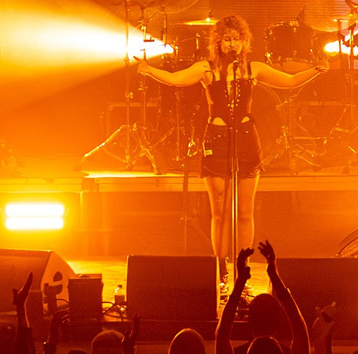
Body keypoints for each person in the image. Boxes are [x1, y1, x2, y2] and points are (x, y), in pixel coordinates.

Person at [135, 15, 320, 266]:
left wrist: (317, 69)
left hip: (245, 139)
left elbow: (288, 81)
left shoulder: (253, 69)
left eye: (236, 39)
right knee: (219, 211)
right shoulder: (206, 69)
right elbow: (176, 79)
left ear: (245, 42)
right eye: (226, 39)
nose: (232, 44)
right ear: (218, 42)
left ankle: (241, 266)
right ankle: (220, 265)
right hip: (216, 140)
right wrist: (148, 70)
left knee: (244, 212)